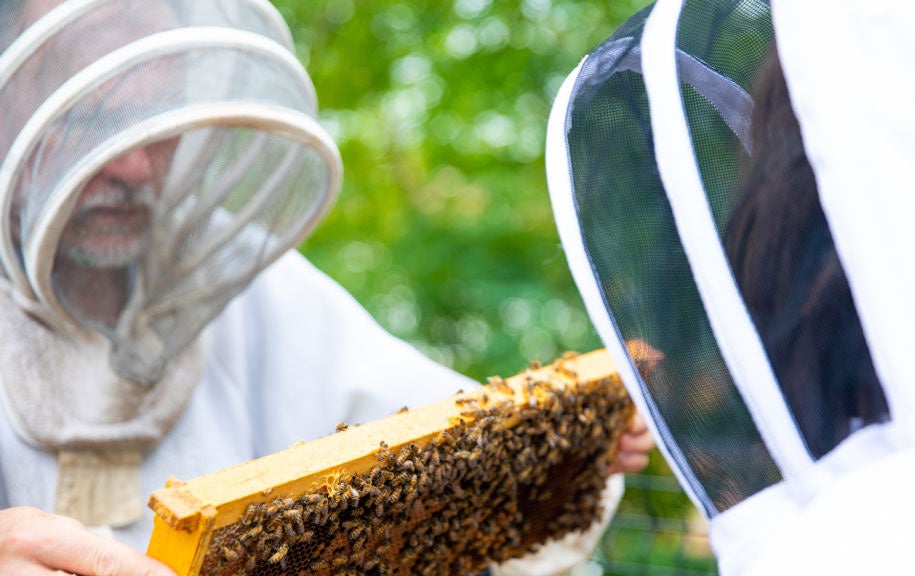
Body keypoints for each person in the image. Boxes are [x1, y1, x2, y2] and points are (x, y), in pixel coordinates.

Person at [0, 1, 653, 575]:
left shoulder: (245, 278)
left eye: (155, 124)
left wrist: (558, 461)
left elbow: (437, 442)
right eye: (90, 124)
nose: (133, 163)